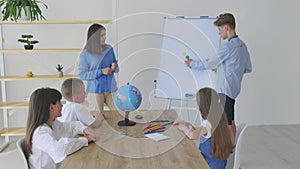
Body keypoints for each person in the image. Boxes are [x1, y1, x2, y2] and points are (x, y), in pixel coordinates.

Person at [185, 13, 252, 143]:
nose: (219, 33)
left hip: (224, 91)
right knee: (230, 121)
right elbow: (247, 68)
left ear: (226, 27)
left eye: (219, 29)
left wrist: (192, 63)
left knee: (225, 125)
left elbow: (210, 62)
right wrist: (223, 71)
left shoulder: (228, 47)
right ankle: (231, 150)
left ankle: (227, 154)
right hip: (233, 91)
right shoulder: (242, 46)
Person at [24, 88, 99, 169]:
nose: (62, 105)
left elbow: (69, 127)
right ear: (51, 107)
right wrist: (85, 140)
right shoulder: (40, 133)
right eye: (59, 102)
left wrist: (85, 129)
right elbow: (59, 150)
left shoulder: (53, 123)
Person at [174, 88, 234, 169]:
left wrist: (182, 128)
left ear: (203, 106)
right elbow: (199, 131)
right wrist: (184, 123)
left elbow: (193, 135)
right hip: (219, 161)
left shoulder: (207, 123)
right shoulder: (219, 116)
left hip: (210, 165)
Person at [78, 23, 119, 112]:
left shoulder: (109, 49)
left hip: (111, 88)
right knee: (97, 117)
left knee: (119, 113)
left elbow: (116, 68)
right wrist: (101, 71)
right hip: (95, 90)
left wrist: (115, 67)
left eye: (105, 35)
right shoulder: (85, 54)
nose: (104, 38)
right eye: (101, 36)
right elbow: (82, 75)